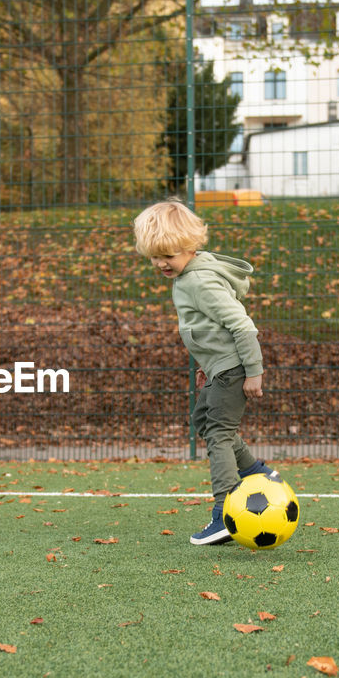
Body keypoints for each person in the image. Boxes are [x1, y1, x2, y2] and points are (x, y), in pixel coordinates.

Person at [133, 198, 280, 545]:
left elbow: (241, 325)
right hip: (220, 368)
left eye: (167, 255)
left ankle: (226, 512)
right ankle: (258, 473)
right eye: (154, 256)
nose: (160, 263)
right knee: (204, 420)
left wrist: (253, 371)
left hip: (234, 369)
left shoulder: (200, 282)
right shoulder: (189, 276)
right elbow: (209, 329)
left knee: (218, 433)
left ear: (189, 245)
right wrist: (207, 364)